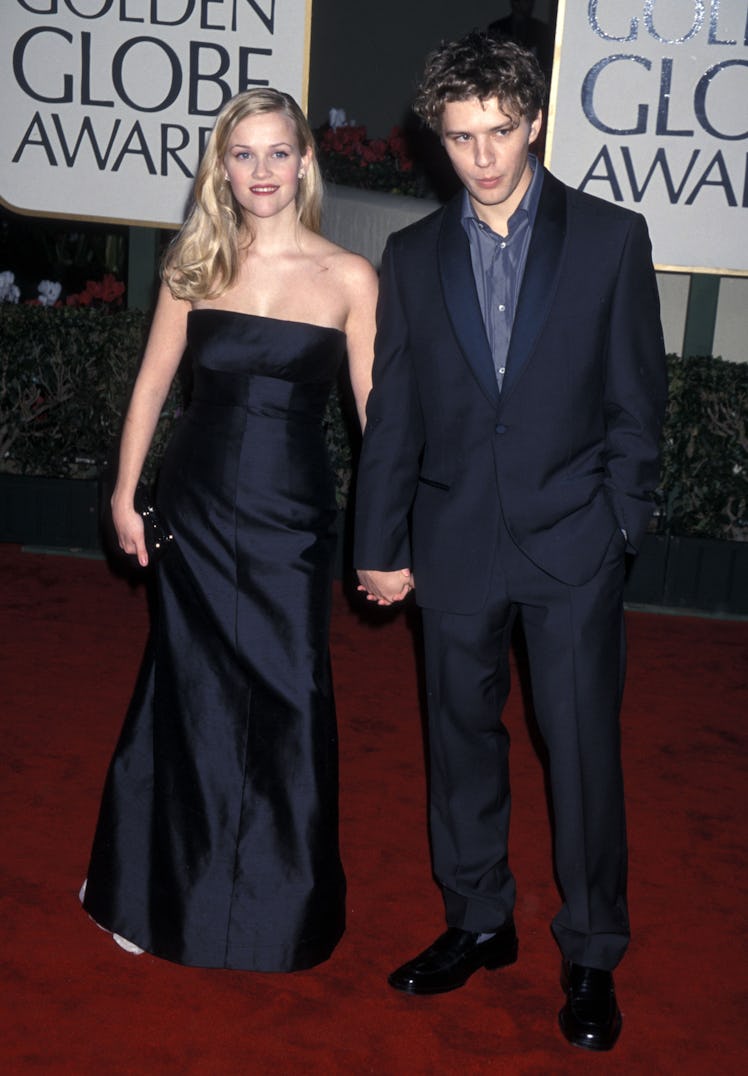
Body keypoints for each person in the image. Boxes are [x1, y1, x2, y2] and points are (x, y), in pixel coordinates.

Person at [355, 32, 666, 1051]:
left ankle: (590, 950)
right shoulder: (410, 256)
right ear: (437, 138)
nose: (481, 156)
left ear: (532, 121)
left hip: (573, 541)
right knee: (459, 746)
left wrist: (623, 520)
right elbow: (392, 414)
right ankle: (477, 915)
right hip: (448, 542)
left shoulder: (611, 239)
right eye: (460, 137)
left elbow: (636, 400)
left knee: (580, 753)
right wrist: (380, 538)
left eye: (497, 131)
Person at [82, 88, 378, 972]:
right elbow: (151, 388)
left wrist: (391, 530)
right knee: (186, 690)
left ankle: (278, 910)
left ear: (304, 162)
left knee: (291, 698)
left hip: (293, 523)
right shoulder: (195, 265)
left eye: (277, 152)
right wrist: (125, 494)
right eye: (242, 154)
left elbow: (379, 420)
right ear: (223, 166)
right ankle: (147, 892)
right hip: (193, 514)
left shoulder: (351, 278)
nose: (260, 171)